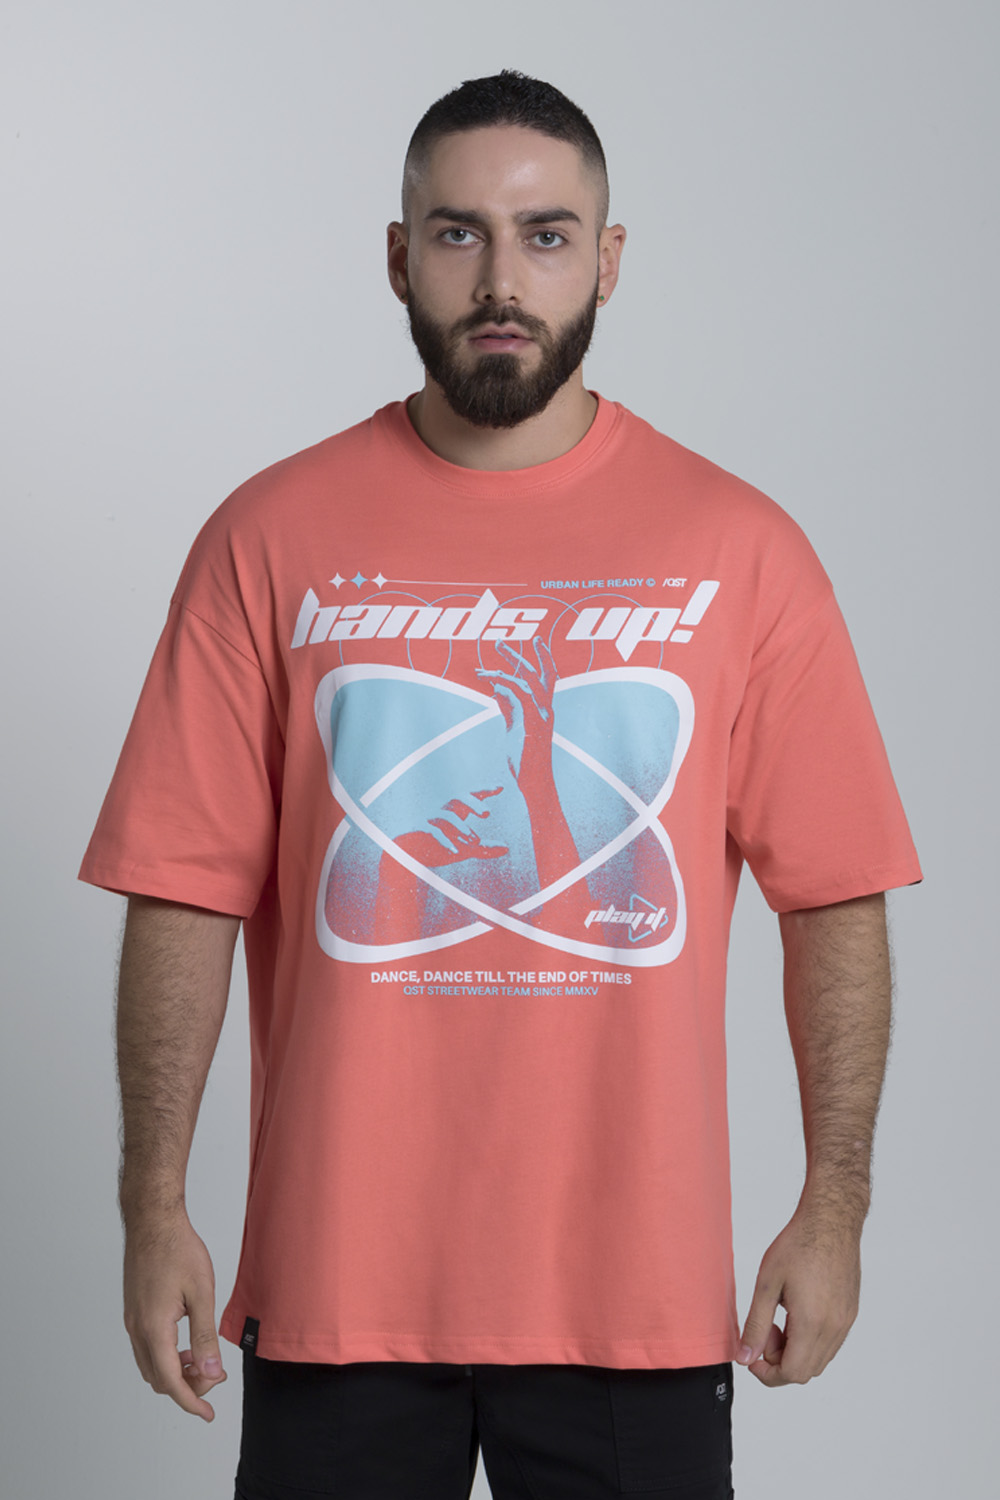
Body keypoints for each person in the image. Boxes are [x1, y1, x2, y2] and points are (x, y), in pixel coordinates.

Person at [80, 69, 921, 1499]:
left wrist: (834, 1207)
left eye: (546, 235)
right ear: (398, 256)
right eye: (458, 232)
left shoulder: (740, 549)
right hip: (339, 1287)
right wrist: (151, 1206)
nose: (501, 282)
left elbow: (836, 893)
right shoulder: (267, 537)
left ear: (609, 259)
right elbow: (182, 887)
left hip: (633, 1300)